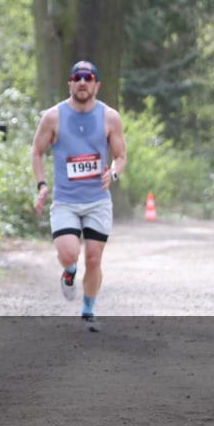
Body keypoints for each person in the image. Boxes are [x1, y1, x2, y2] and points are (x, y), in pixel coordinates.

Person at [30, 61, 127, 332]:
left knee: (94, 258)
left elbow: (120, 156)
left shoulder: (110, 117)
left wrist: (114, 173)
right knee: (69, 253)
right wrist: (42, 185)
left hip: (97, 199)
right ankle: (69, 271)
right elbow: (37, 151)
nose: (83, 82)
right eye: (77, 77)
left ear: (97, 84)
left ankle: (88, 310)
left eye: (88, 77)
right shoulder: (53, 117)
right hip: (66, 200)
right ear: (70, 83)